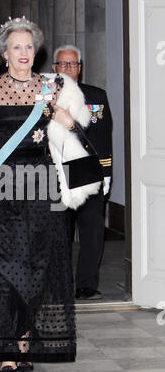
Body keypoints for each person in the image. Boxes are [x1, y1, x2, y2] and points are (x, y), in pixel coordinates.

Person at [0, 17, 102, 372]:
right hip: (0, 188)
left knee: (39, 266)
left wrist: (68, 121)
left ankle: (25, 340)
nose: (24, 53)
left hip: (43, 186)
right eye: (16, 47)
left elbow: (83, 128)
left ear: (37, 51)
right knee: (3, 268)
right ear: (4, 54)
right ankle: (6, 348)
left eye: (29, 47)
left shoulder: (55, 87)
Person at [52, 45, 113, 301]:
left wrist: (106, 172)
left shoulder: (96, 96)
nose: (68, 69)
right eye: (63, 64)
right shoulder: (43, 97)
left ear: (80, 68)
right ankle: (58, 284)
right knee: (58, 232)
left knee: (91, 231)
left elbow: (102, 136)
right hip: (55, 170)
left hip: (87, 169)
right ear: (54, 68)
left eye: (73, 64)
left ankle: (87, 285)